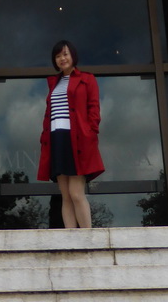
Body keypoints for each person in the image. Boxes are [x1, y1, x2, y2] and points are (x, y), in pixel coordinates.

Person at [36, 39, 104, 229]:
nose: (62, 58)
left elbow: (94, 109)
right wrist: (44, 137)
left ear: (73, 55)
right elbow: (48, 114)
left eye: (65, 54)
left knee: (76, 193)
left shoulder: (87, 79)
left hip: (77, 139)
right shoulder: (54, 83)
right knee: (65, 195)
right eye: (58, 56)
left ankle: (88, 238)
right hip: (57, 139)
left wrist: (91, 132)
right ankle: (71, 238)